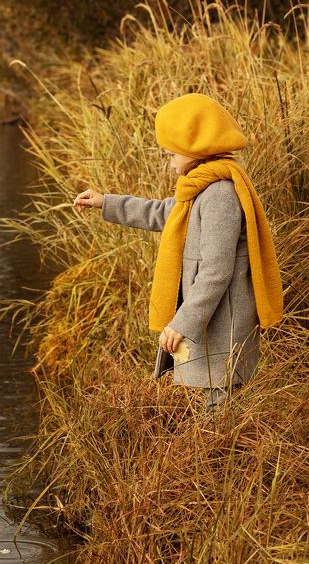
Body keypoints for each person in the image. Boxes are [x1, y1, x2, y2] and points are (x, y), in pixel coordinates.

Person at [73, 93, 284, 411]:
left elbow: (216, 270)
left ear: (195, 149)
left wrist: (181, 324)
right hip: (213, 322)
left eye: (172, 154)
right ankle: (216, 456)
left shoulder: (219, 196)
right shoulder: (201, 188)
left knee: (221, 408)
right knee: (216, 405)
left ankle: (218, 460)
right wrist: (106, 201)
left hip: (222, 326)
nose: (170, 162)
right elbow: (161, 212)